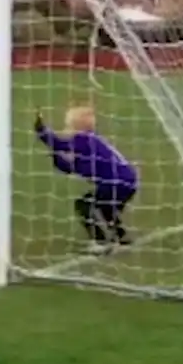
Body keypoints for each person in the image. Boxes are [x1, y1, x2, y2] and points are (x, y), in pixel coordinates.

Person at [36, 106, 138, 254]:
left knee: (84, 205)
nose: (66, 129)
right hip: (128, 182)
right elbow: (71, 167)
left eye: (68, 125)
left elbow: (58, 144)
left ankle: (101, 242)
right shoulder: (91, 143)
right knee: (106, 208)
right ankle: (121, 237)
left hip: (115, 182)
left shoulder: (83, 139)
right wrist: (56, 157)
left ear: (76, 127)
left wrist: (41, 131)